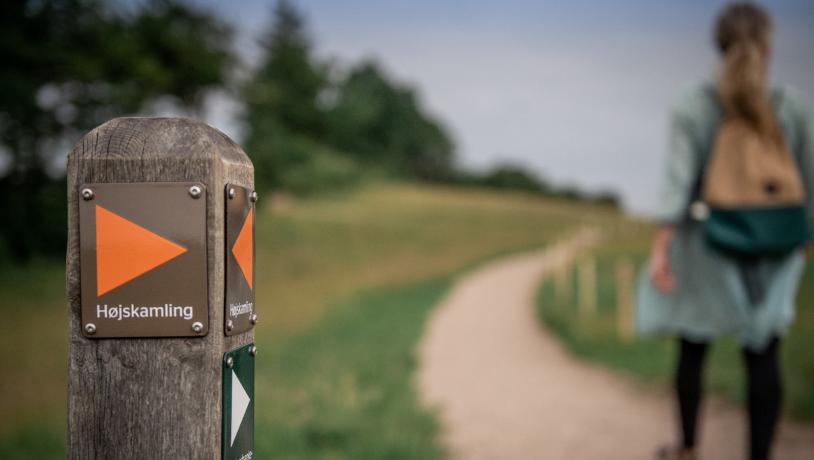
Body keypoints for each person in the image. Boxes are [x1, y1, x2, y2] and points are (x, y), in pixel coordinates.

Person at [636, 3, 813, 460]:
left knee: (693, 344)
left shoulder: (695, 105)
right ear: (769, 45)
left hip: (709, 242)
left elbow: (677, 182)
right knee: (764, 354)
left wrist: (661, 248)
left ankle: (689, 447)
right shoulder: (789, 106)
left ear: (717, 44)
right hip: (776, 246)